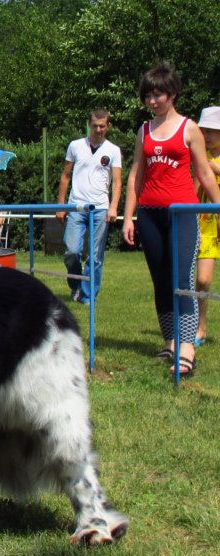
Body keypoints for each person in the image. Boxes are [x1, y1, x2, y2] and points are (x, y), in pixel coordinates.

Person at [122, 64, 220, 377]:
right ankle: (170, 341)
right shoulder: (144, 131)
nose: (152, 101)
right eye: (148, 96)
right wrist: (129, 217)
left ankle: (187, 347)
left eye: (158, 95)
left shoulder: (189, 129)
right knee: (161, 280)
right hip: (149, 214)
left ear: (172, 94)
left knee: (182, 280)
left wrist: (219, 207)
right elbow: (136, 175)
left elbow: (204, 172)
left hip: (182, 213)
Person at [56, 108, 123, 304]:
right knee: (71, 252)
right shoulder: (75, 146)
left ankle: (88, 296)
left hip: (100, 207)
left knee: (95, 256)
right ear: (89, 125)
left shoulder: (113, 150)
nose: (98, 130)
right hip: (76, 206)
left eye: (102, 126)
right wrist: (61, 206)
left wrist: (113, 207)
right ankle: (76, 285)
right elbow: (65, 176)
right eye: (95, 126)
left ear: (108, 126)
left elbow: (117, 182)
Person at [194, 106, 220, 347]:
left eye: (212, 131)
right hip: (207, 226)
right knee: (202, 280)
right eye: (205, 131)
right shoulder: (200, 158)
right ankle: (200, 326)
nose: (207, 136)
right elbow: (193, 193)